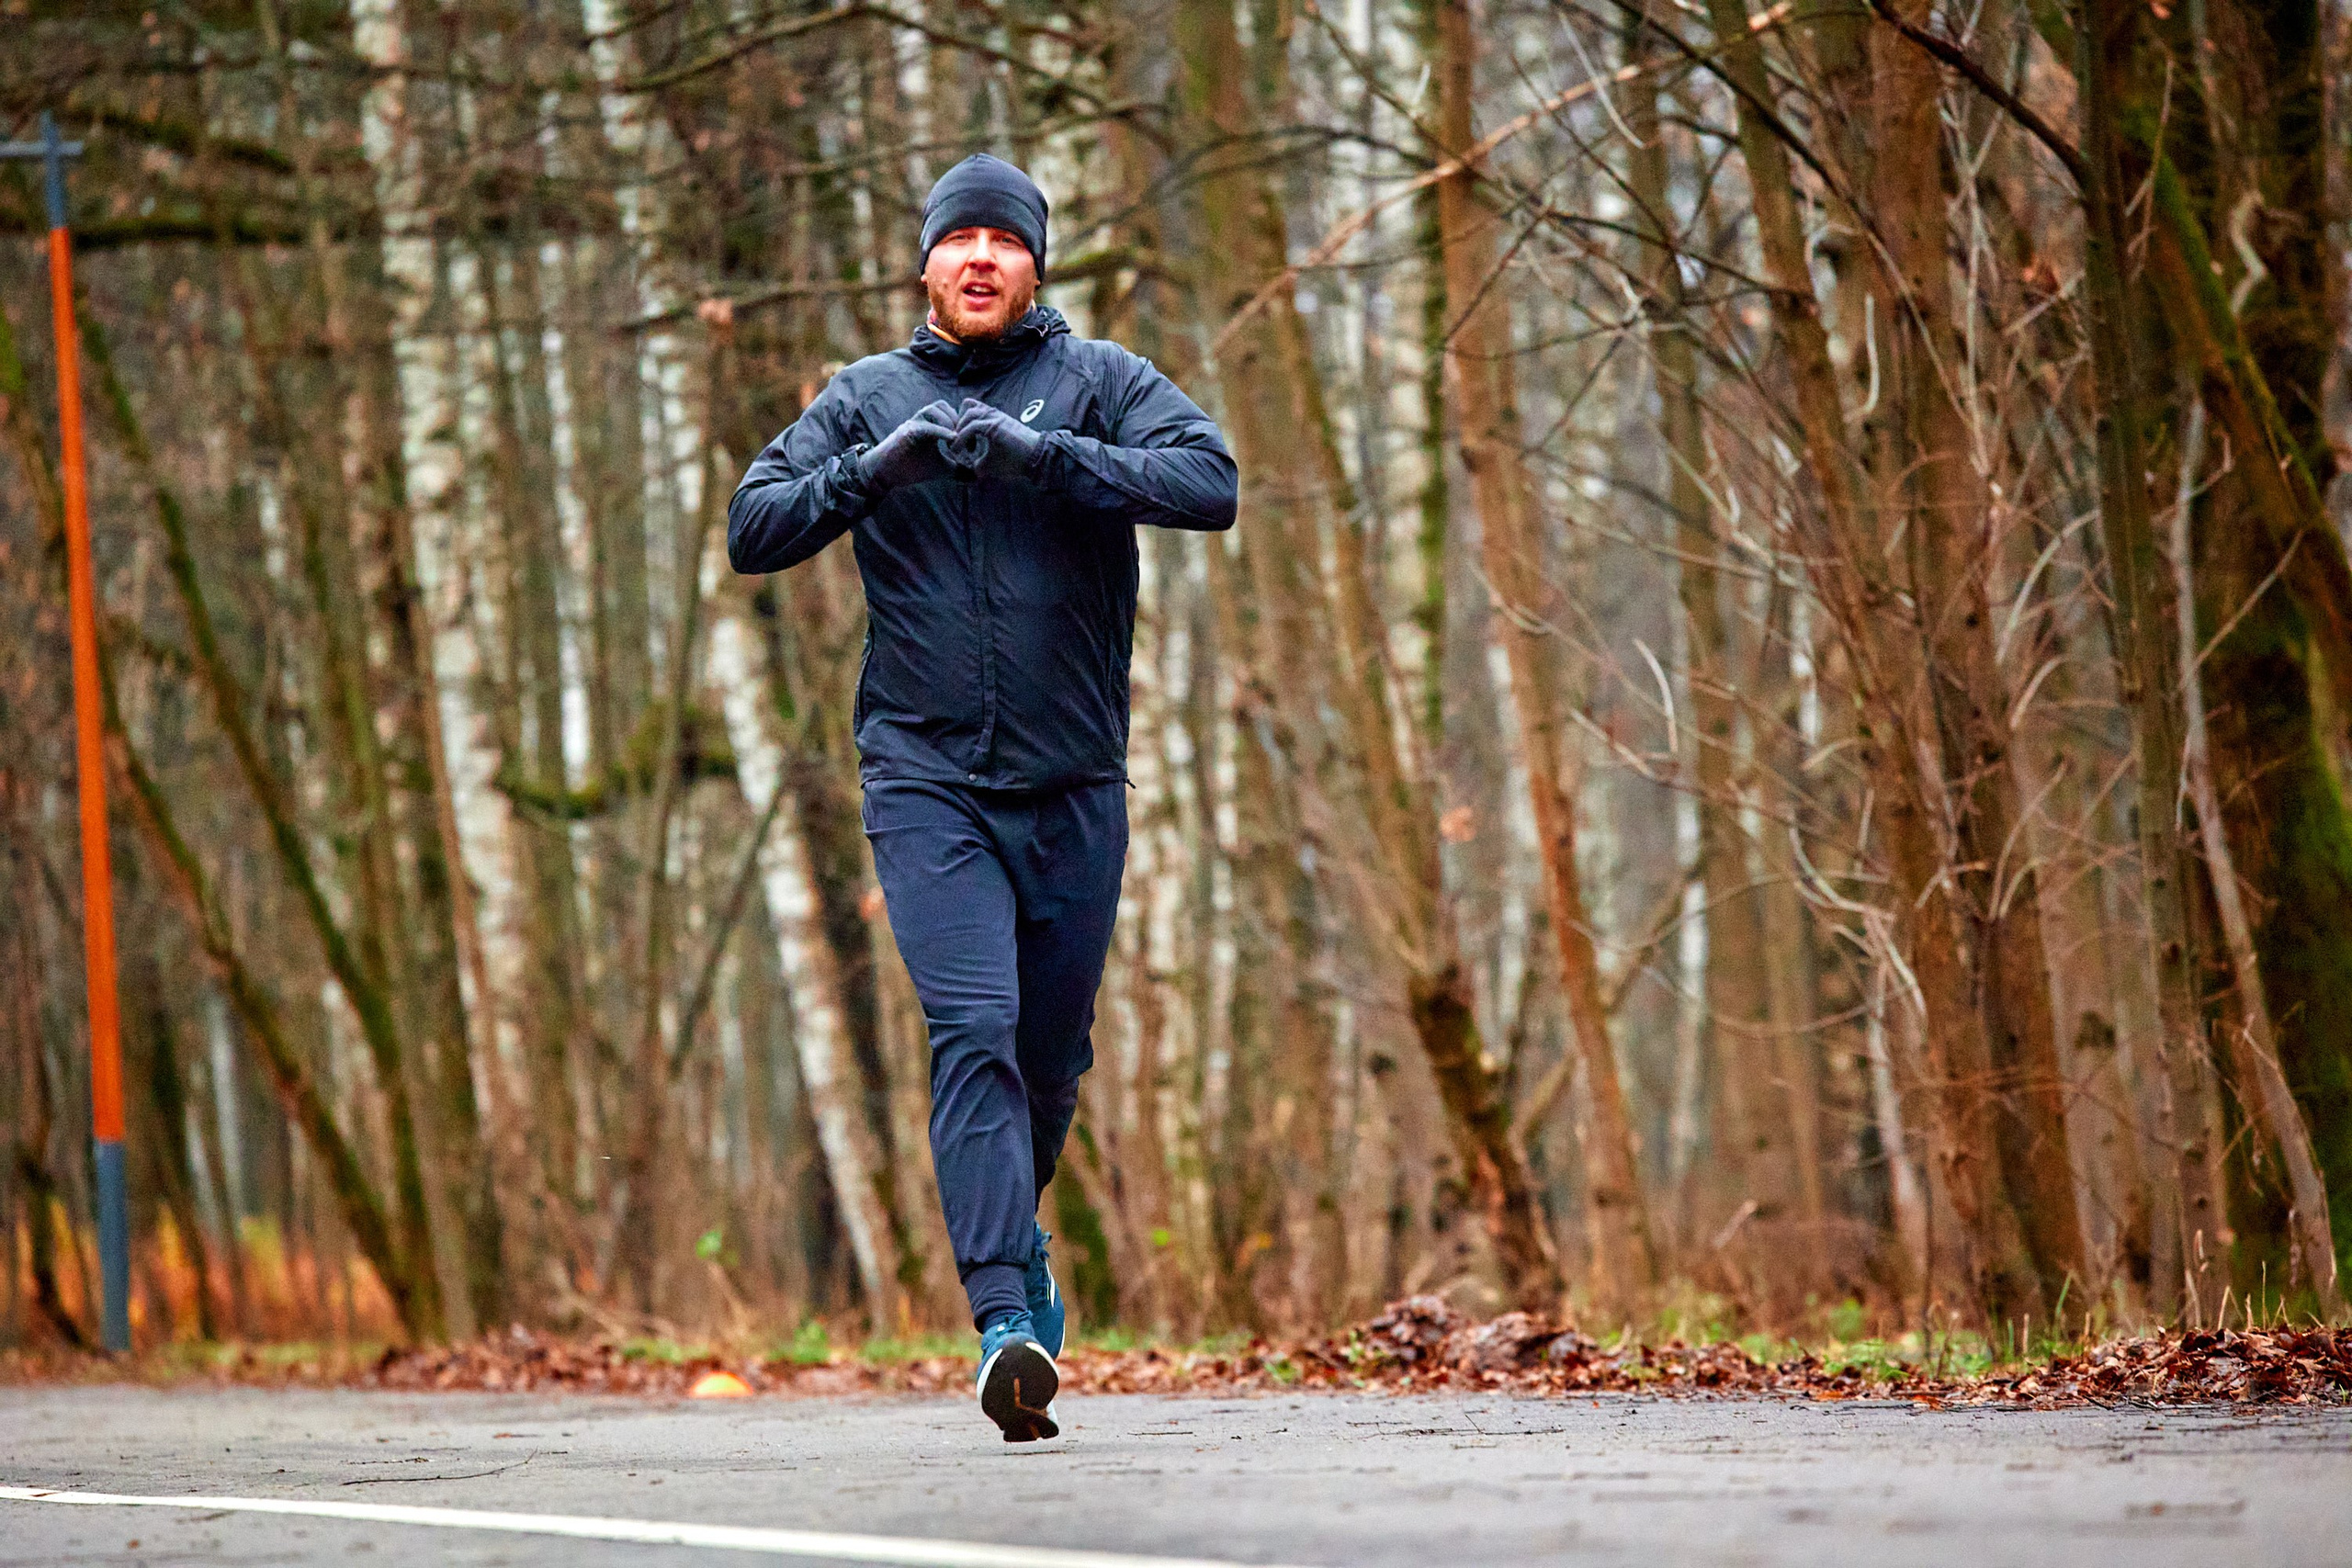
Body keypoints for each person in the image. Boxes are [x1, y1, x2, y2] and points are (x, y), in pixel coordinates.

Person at [727, 153, 1238, 1442]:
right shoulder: (865, 398)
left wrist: (1046, 457)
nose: (978, 259)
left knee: (1048, 1060)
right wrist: (872, 473)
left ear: (1033, 263)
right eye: (956, 239)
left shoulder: (1104, 383)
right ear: (925, 263)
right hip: (925, 781)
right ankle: (1004, 1318)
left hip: (1073, 784)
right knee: (975, 1030)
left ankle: (1023, 1248)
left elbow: (1211, 483)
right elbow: (754, 526)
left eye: (1002, 242)